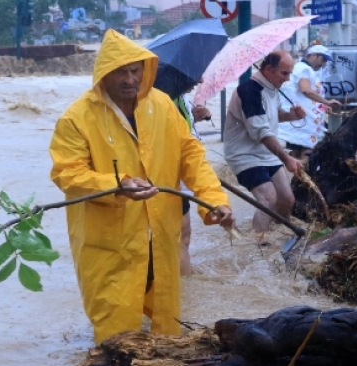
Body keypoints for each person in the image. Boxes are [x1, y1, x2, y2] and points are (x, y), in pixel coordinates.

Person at [49, 30, 235, 344]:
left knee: (166, 328)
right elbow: (68, 175)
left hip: (160, 233)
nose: (129, 79)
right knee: (115, 331)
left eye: (135, 70)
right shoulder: (77, 118)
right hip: (111, 241)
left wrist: (213, 199)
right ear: (103, 73)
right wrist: (116, 186)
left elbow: (191, 156)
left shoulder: (162, 106)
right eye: (121, 71)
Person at [223, 50, 307, 242]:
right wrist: (286, 158)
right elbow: (261, 132)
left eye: (289, 74)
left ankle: (285, 236)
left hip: (266, 153)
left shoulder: (272, 87)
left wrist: (291, 115)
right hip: (244, 156)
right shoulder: (249, 91)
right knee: (268, 199)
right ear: (269, 69)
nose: (287, 79)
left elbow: (275, 114)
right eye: (284, 73)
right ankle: (259, 245)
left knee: (287, 199)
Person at [171, 81, 211, 276]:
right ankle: (183, 291)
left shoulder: (181, 98)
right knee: (179, 238)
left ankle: (185, 288)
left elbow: (185, 135)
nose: (199, 81)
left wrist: (194, 117)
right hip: (171, 177)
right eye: (195, 77)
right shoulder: (163, 100)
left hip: (185, 173)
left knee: (183, 237)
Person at [278, 45, 342, 159]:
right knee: (308, 149)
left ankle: (300, 175)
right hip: (305, 120)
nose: (323, 64)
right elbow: (305, 90)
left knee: (297, 151)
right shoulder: (304, 69)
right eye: (323, 59)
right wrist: (326, 102)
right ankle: (307, 175)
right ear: (313, 55)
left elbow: (303, 95)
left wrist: (321, 106)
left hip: (303, 118)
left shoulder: (302, 68)